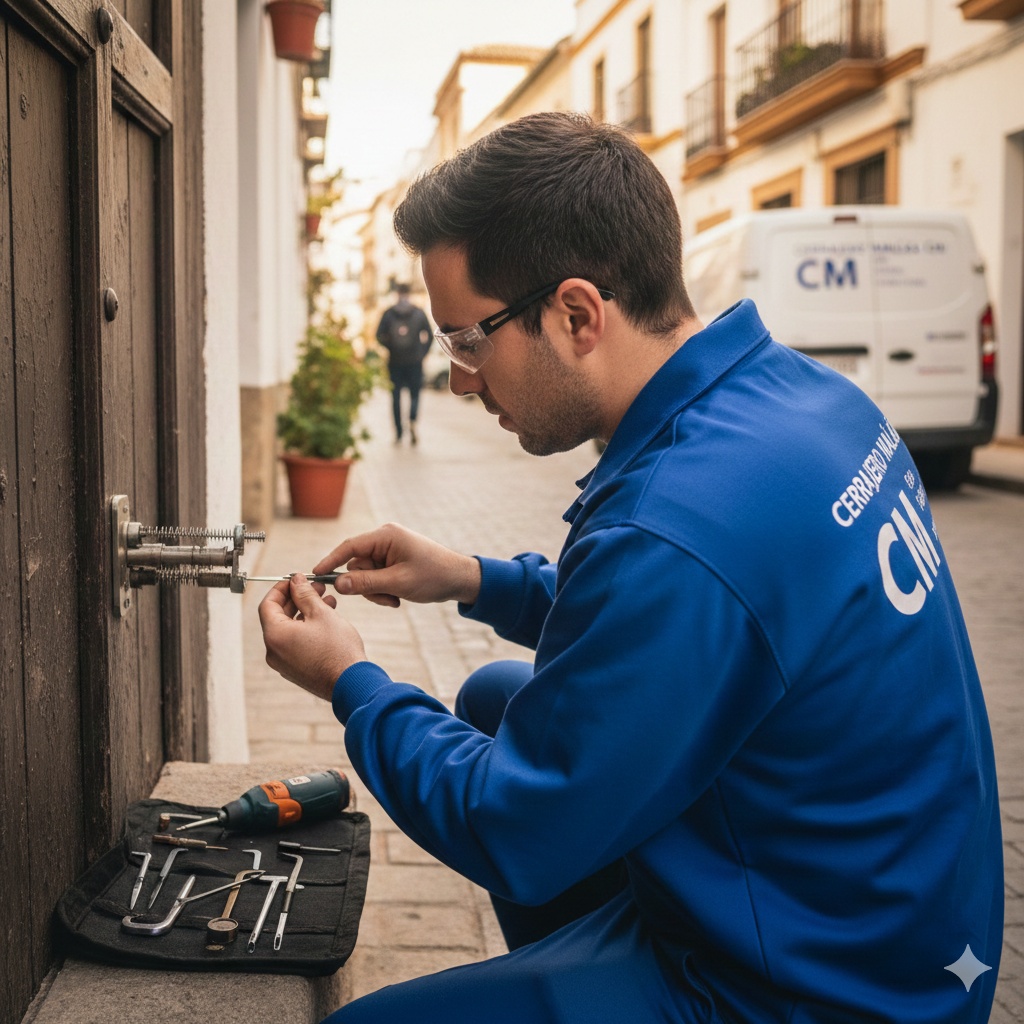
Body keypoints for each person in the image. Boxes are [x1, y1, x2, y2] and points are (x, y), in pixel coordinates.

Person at [260, 112, 1003, 1023]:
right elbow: (686, 623)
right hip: (904, 919)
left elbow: (511, 826)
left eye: (468, 340)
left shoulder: (674, 525)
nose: (458, 379)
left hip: (819, 988)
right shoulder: (805, 396)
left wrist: (351, 680)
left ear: (577, 314)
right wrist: (472, 578)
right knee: (496, 695)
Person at [375, 282, 433, 443]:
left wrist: (390, 347)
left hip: (395, 361)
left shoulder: (388, 313)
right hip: (415, 361)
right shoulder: (419, 313)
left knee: (396, 397)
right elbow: (429, 335)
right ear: (409, 294)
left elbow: (378, 335)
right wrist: (422, 353)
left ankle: (399, 431)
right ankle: (412, 420)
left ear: (397, 293)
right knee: (415, 394)